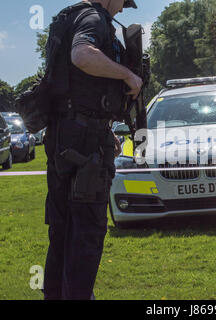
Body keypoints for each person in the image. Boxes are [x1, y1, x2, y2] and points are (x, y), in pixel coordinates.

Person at [43, 0, 142, 300]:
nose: (123, 9)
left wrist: (102, 126)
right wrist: (126, 74)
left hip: (65, 135)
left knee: (62, 232)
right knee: (86, 232)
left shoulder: (70, 16)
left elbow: (76, 88)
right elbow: (82, 55)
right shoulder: (93, 18)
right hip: (84, 146)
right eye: (123, 2)